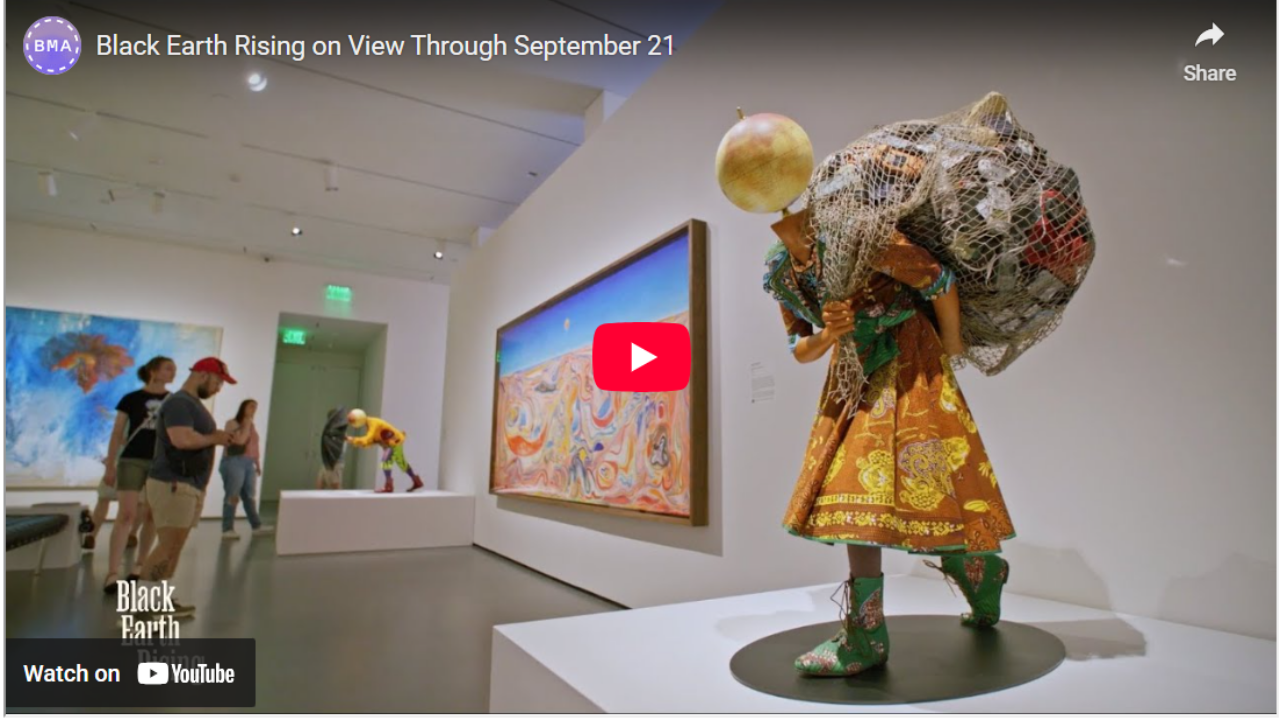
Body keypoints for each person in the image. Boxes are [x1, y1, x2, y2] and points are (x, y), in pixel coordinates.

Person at [765, 210, 1015, 677]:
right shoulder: (782, 269)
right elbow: (798, 347)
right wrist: (830, 334)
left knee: (927, 483)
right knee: (855, 494)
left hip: (909, 361)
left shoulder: (861, 234)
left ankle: (975, 571)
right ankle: (875, 628)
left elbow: (938, 281)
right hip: (852, 374)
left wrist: (949, 350)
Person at [133, 357, 236, 617]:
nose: (218, 388)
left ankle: (159, 601)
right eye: (218, 382)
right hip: (173, 483)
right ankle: (141, 610)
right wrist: (216, 438)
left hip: (186, 485)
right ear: (203, 375)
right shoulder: (180, 403)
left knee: (174, 545)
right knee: (168, 545)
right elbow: (182, 439)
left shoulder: (191, 404)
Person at [99, 356, 175, 593]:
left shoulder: (174, 401)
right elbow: (117, 432)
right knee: (127, 515)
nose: (172, 373)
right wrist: (110, 465)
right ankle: (112, 572)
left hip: (159, 463)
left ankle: (140, 565)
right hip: (131, 459)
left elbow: (175, 436)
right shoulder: (131, 398)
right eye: (168, 368)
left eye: (173, 369)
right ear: (153, 371)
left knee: (152, 515)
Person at [219, 399, 274, 539]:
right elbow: (240, 441)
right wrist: (247, 423)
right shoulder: (232, 423)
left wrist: (257, 463)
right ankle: (227, 529)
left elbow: (253, 446)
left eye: (255, 407)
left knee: (249, 496)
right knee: (232, 495)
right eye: (251, 406)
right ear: (243, 407)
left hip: (249, 463)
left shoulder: (251, 426)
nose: (254, 409)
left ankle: (256, 525)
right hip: (233, 461)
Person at [345, 409, 424, 493]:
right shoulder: (370, 423)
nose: (350, 422)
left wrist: (352, 439)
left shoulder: (373, 424)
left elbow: (367, 439)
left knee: (385, 462)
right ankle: (416, 481)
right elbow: (370, 441)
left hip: (393, 443)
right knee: (401, 463)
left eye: (352, 420)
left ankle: (389, 486)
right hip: (395, 441)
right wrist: (353, 440)